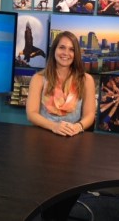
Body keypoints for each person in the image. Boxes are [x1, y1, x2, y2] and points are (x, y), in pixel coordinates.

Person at [26, 31, 96, 220]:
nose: (66, 53)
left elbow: (90, 115)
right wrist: (53, 126)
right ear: (54, 50)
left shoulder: (86, 80)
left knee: (66, 197)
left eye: (71, 49)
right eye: (62, 47)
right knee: (47, 201)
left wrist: (79, 126)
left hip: (74, 144)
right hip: (44, 145)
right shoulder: (39, 78)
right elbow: (31, 113)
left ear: (76, 54)